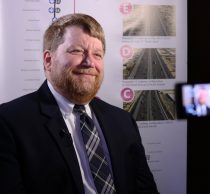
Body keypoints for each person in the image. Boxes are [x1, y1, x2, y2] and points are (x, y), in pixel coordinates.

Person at [0, 13, 159, 194]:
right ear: (48, 60)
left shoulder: (122, 121)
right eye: (76, 51)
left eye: (97, 54)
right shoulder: (8, 122)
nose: (89, 62)